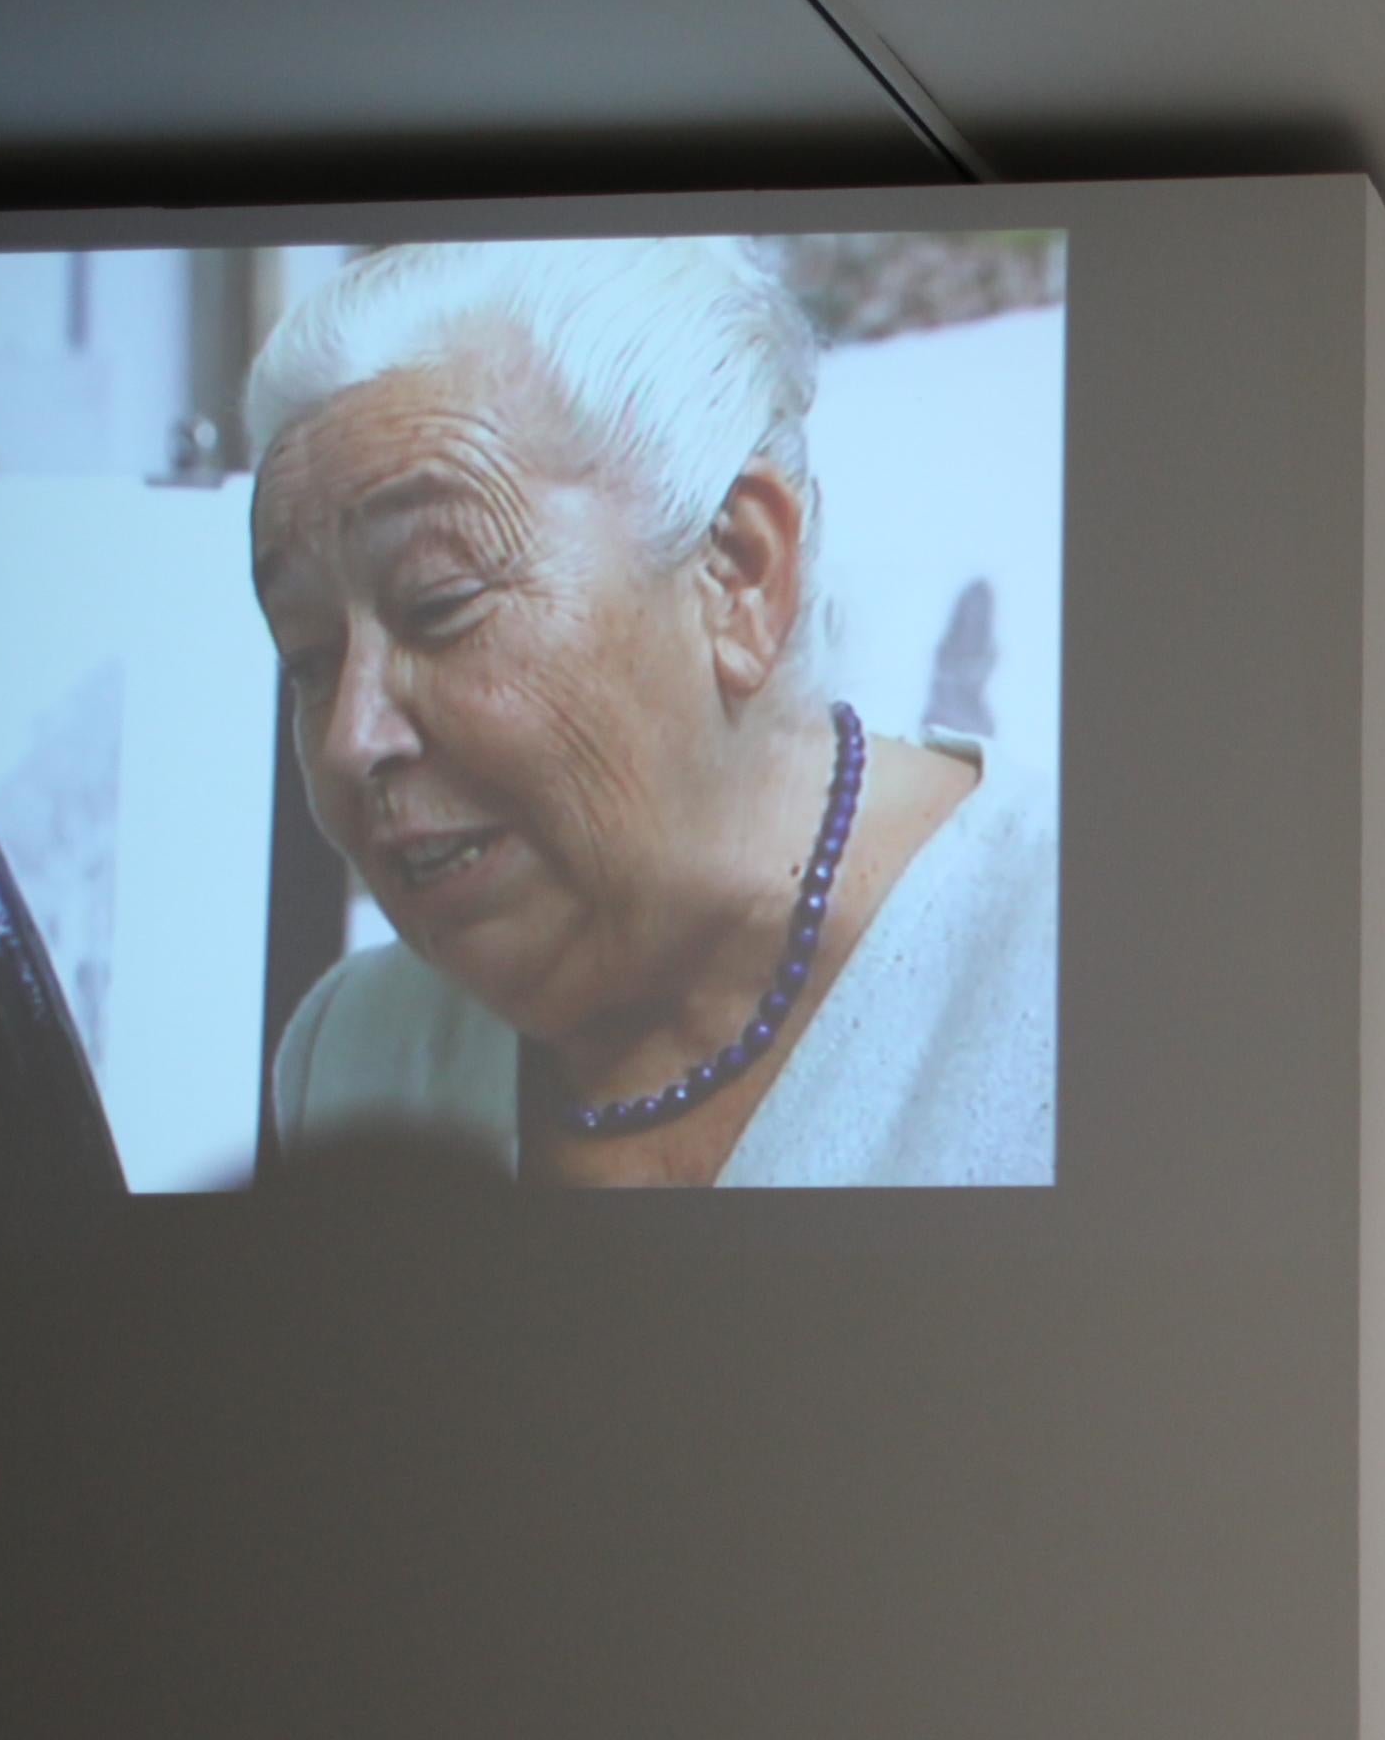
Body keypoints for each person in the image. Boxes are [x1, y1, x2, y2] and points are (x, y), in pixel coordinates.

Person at [249, 238, 1053, 1187]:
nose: (351, 740)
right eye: (308, 661)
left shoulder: (1076, 958)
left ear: (738, 572)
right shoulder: (355, 1052)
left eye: (439, 605)